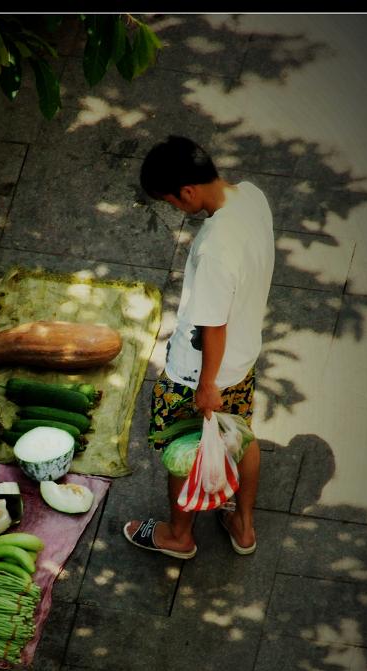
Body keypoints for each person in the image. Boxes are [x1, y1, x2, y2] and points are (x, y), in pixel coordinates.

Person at [124, 135, 274, 557]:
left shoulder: (214, 247)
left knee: (183, 446)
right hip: (242, 362)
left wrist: (207, 385)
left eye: (172, 201)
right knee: (241, 437)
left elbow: (213, 327)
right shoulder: (253, 197)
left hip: (197, 374)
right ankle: (243, 527)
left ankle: (179, 535)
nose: (176, 209)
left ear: (187, 190)